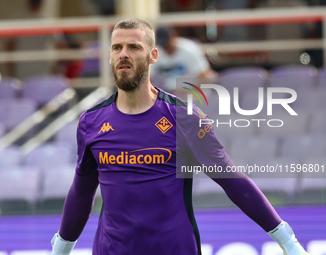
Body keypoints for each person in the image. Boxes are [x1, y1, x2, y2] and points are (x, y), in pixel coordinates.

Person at [51, 18, 310, 255]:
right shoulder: (91, 122)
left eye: (134, 47)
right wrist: (61, 249)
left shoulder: (184, 117)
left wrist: (287, 240)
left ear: (153, 55)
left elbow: (231, 179)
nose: (124, 55)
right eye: (117, 48)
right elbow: (82, 193)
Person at [150, 26, 216, 95]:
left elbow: (205, 77)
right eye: (163, 45)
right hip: (170, 94)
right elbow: (148, 78)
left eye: (167, 44)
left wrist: (187, 91)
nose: (165, 47)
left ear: (174, 36)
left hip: (194, 93)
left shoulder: (189, 49)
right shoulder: (157, 52)